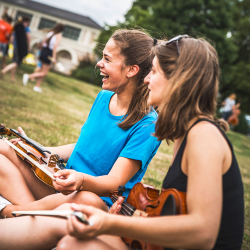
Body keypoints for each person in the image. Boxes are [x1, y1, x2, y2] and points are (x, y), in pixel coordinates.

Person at [0, 35, 244, 250]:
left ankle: (13, 214)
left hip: (104, 206)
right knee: (69, 236)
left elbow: (204, 234)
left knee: (70, 223)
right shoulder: (185, 134)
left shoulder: (203, 136)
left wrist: (110, 221)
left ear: (179, 80)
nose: (147, 79)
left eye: (155, 72)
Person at [0, 29, 161, 219]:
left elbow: (115, 181)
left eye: (107, 60)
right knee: (5, 147)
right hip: (62, 185)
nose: (99, 64)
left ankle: (14, 212)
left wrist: (80, 180)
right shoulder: (103, 98)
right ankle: (29, 214)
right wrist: (37, 149)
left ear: (131, 70)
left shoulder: (148, 125)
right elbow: (84, 147)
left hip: (93, 201)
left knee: (87, 199)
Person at [22, 23, 64, 92]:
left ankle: (37, 86)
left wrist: (41, 52)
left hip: (44, 51)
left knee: (42, 71)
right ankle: (28, 76)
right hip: (49, 53)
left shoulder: (50, 33)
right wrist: (54, 57)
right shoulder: (58, 36)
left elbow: (43, 42)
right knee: (44, 73)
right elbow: (55, 47)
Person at [1, 16, 30, 82]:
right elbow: (28, 38)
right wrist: (28, 47)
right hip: (21, 47)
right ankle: (4, 70)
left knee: (14, 62)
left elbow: (12, 38)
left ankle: (12, 79)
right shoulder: (26, 28)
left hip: (15, 46)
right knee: (17, 63)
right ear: (26, 22)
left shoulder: (16, 27)